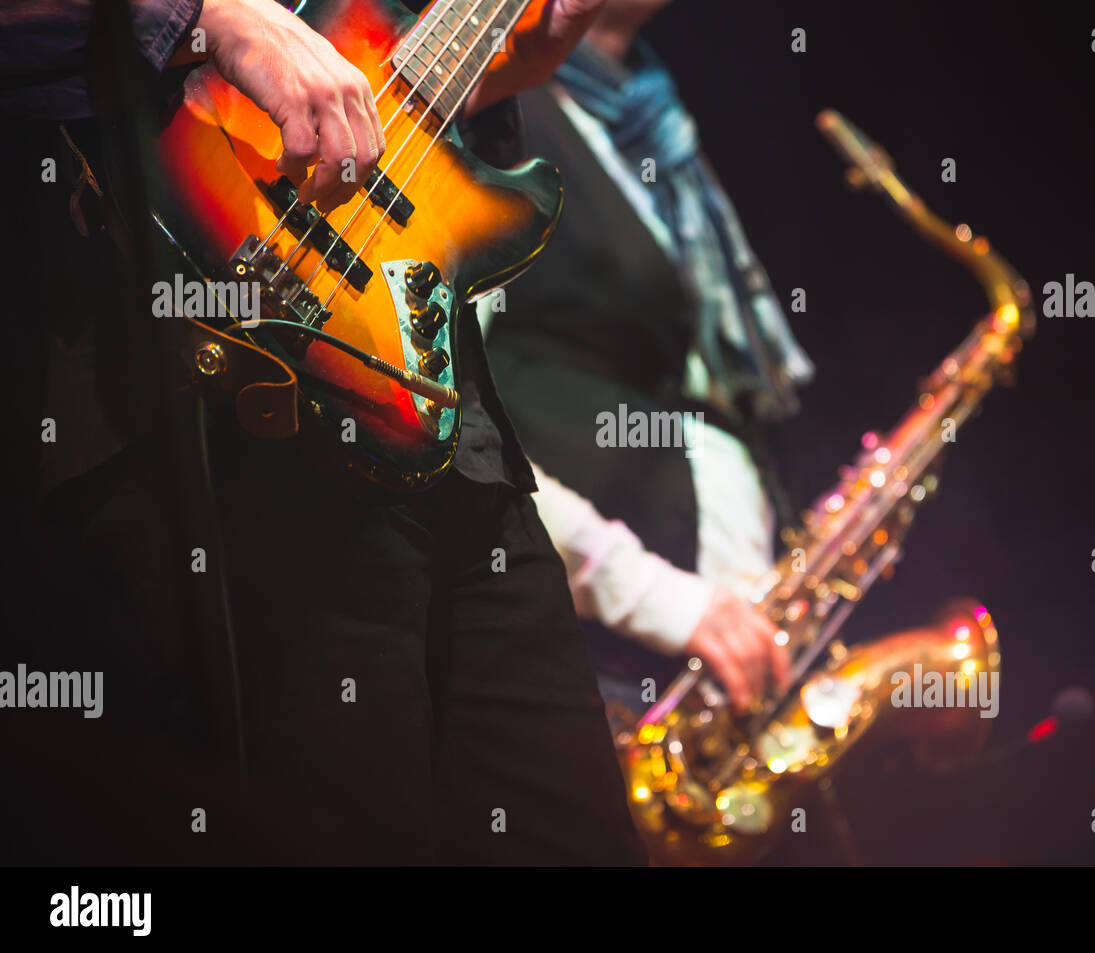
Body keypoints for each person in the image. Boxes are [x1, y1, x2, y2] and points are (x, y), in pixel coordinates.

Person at [0, 0, 647, 866]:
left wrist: (499, 57)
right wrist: (211, 14)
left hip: (440, 420)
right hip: (187, 399)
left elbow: (363, 67)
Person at [481, 0, 813, 714]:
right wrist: (652, 596)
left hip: (701, 643)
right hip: (586, 663)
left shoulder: (656, 125)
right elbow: (442, 415)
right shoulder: (487, 110)